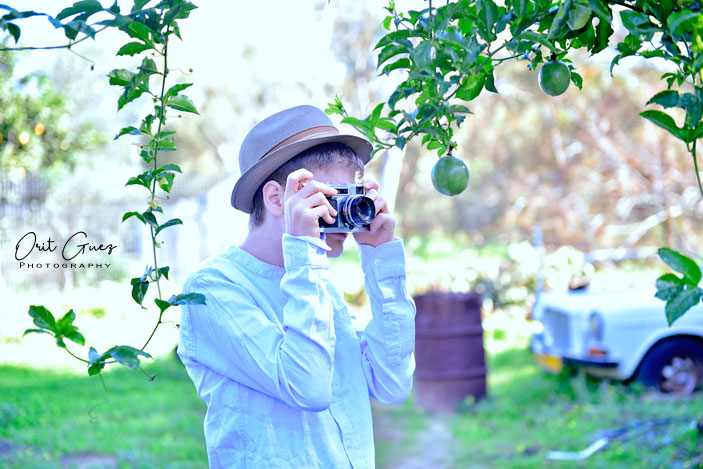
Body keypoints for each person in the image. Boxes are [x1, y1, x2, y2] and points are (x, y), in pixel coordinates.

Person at [177, 105, 416, 468]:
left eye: (353, 197)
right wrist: (305, 252)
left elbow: (392, 384)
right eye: (330, 198)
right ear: (277, 199)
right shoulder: (211, 291)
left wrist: (381, 261)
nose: (344, 214)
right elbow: (308, 387)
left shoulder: (316, 285)